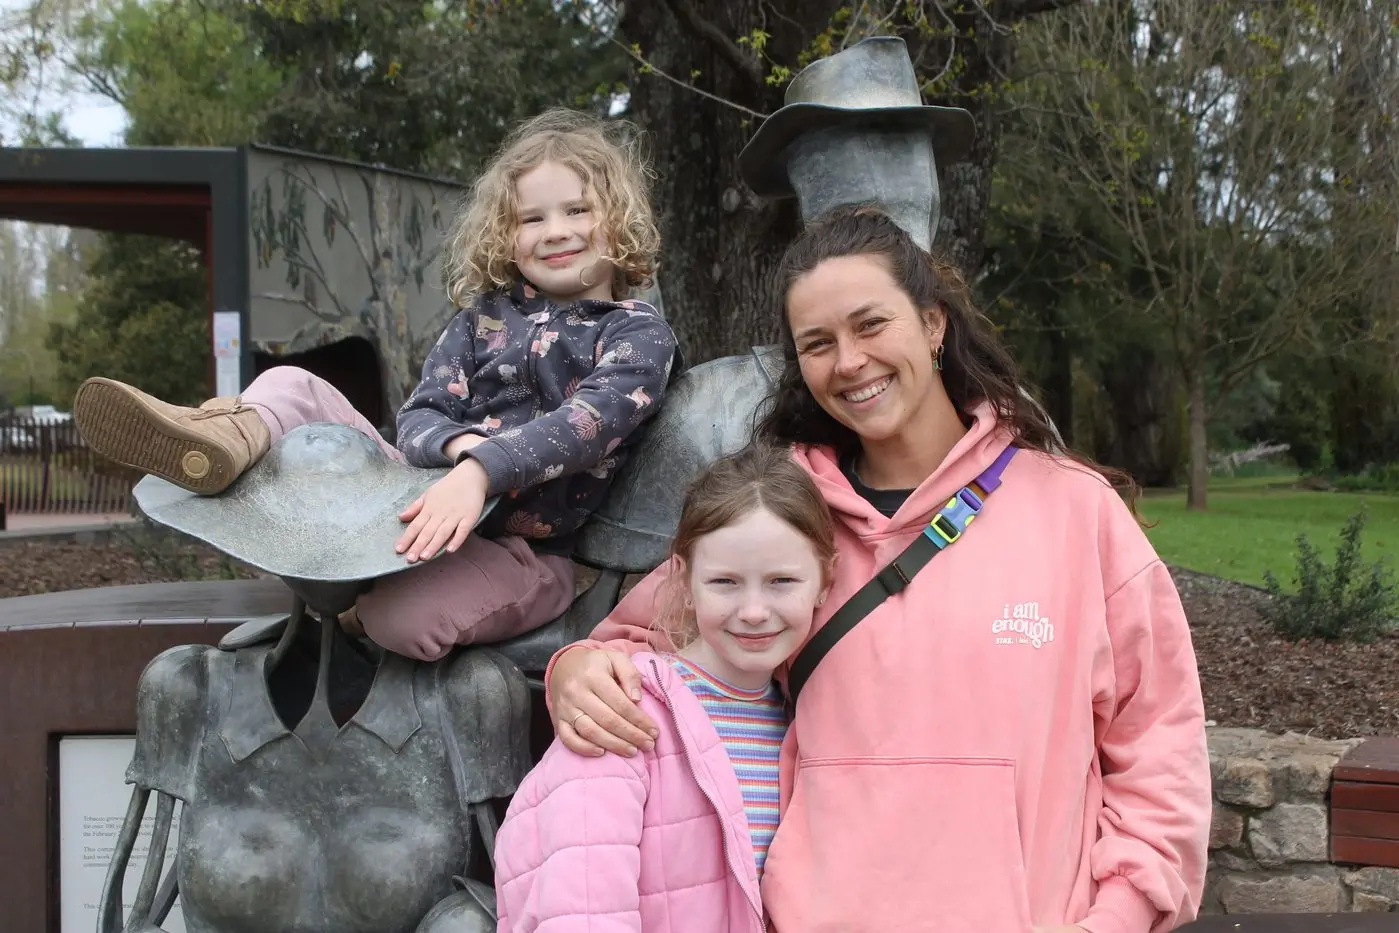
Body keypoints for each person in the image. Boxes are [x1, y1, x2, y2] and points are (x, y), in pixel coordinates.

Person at [544, 206, 1211, 933]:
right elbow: (636, 640)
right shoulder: (781, 513)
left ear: (932, 323)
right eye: (818, 343)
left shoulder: (1074, 511)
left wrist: (1117, 916)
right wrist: (576, 670)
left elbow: (1160, 752)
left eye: (870, 325)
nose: (849, 361)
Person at [71, 108, 679, 662]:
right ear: (505, 235)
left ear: (619, 220)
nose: (555, 231)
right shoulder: (481, 321)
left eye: (577, 211)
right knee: (291, 382)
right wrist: (456, 449)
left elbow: (586, 424)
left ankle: (353, 611)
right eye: (532, 218)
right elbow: (420, 417)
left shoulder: (638, 334)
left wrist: (482, 471)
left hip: (525, 554)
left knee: (400, 620)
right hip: (405, 500)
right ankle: (225, 441)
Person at [494, 443, 835, 933]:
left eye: (782, 581)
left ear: (825, 580)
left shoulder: (802, 723)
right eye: (725, 582)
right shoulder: (620, 709)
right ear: (684, 581)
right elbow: (582, 910)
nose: (754, 611)